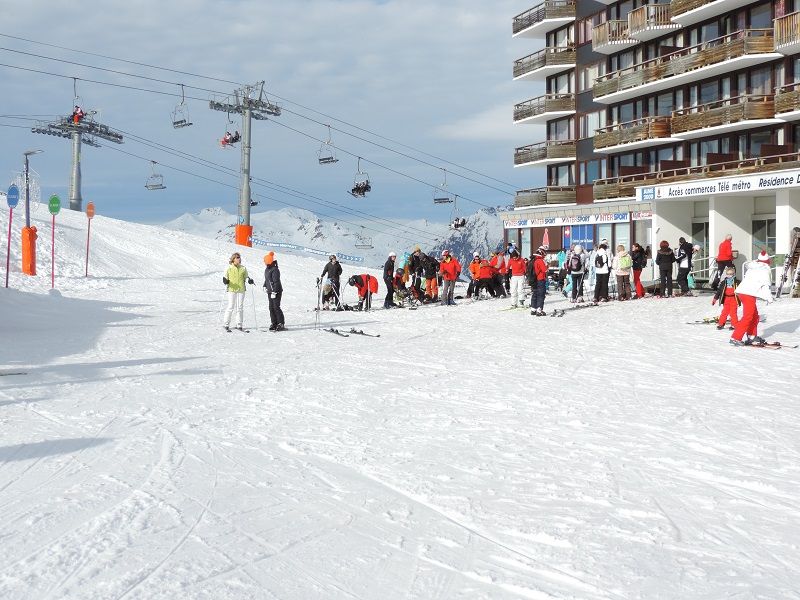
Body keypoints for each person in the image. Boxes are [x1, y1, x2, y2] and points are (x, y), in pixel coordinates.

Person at [730, 261, 772, 346]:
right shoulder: (764, 270)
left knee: (754, 315)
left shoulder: (753, 268)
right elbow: (766, 285)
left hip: (744, 293)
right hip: (748, 294)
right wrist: (769, 298)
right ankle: (735, 337)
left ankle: (752, 336)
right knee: (748, 316)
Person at [222, 252, 254, 332]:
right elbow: (225, 277)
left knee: (240, 307)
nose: (239, 259)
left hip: (241, 290)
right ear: (233, 259)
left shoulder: (243, 268)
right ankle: (226, 324)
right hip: (232, 289)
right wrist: (225, 281)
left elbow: (246, 277)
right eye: (237, 257)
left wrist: (249, 280)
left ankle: (239, 324)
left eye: (239, 257)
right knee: (231, 306)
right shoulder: (228, 268)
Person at [262, 251, 284, 331]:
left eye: (265, 261)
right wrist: (265, 285)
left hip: (276, 291)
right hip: (270, 291)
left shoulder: (275, 269)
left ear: (268, 261)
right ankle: (274, 323)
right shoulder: (267, 269)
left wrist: (274, 291)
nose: (264, 262)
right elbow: (267, 279)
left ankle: (280, 323)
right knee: (271, 308)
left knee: (276, 307)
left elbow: (276, 282)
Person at [712, 266, 739, 330]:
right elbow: (719, 291)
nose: (729, 275)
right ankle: (721, 324)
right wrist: (715, 298)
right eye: (728, 274)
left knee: (733, 313)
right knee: (724, 312)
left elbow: (741, 290)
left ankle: (734, 325)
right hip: (726, 299)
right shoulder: (724, 282)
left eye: (731, 274)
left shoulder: (737, 282)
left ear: (734, 274)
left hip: (734, 299)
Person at [527, 246, 548, 315]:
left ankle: (533, 309)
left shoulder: (534, 260)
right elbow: (545, 270)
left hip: (534, 280)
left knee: (535, 294)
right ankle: (539, 310)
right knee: (541, 295)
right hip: (540, 279)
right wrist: (547, 265)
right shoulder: (540, 260)